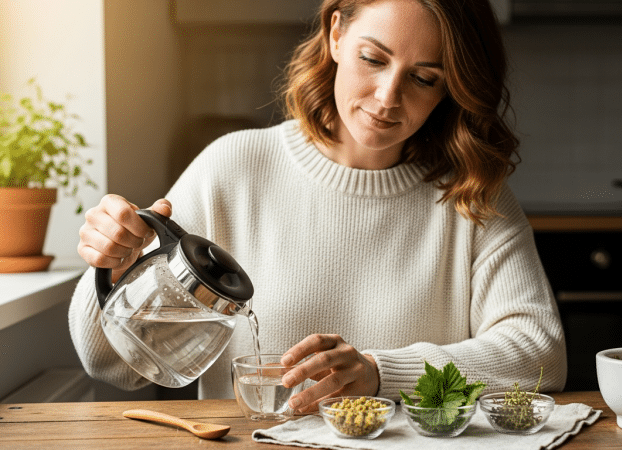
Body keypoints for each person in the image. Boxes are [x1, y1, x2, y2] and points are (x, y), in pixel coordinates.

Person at [69, 0, 567, 412]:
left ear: (451, 88)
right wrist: (115, 266)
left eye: (424, 78)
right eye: (373, 59)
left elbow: (541, 355)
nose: (387, 96)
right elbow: (112, 365)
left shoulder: (473, 195)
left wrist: (379, 373)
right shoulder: (232, 168)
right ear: (335, 35)